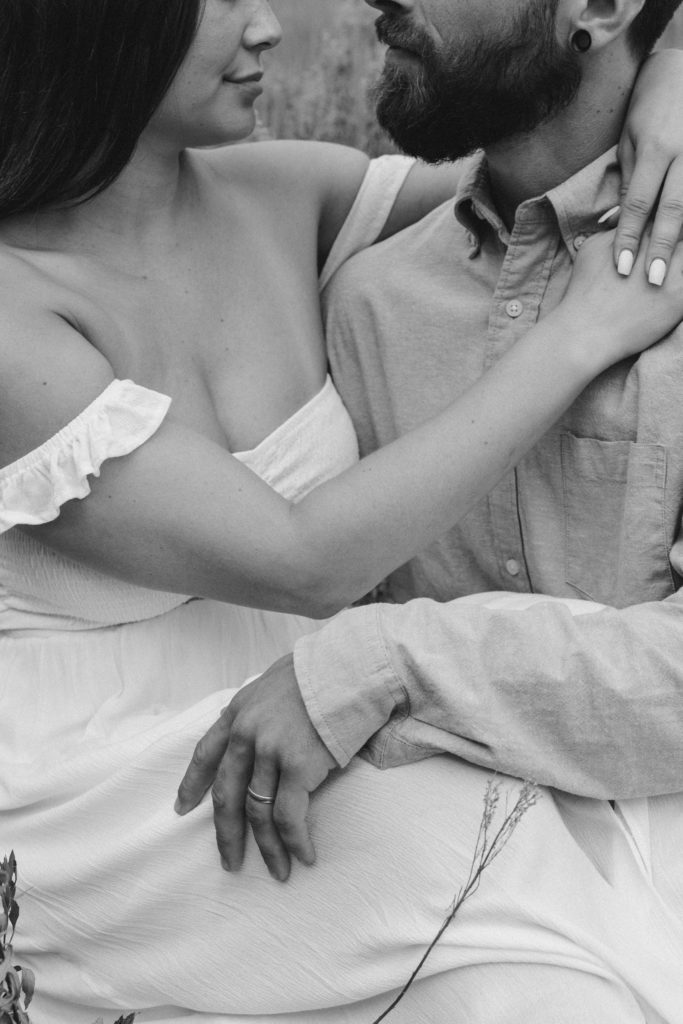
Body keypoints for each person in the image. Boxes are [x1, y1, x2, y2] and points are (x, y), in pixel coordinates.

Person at [3, 1, 683, 1022]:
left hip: (309, 728)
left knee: (534, 872)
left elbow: (543, 149)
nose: (272, 26)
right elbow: (301, 560)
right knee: (526, 916)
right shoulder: (16, 311)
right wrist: (582, 333)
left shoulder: (287, 195)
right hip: (104, 785)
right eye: (219, 2)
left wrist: (672, 64)